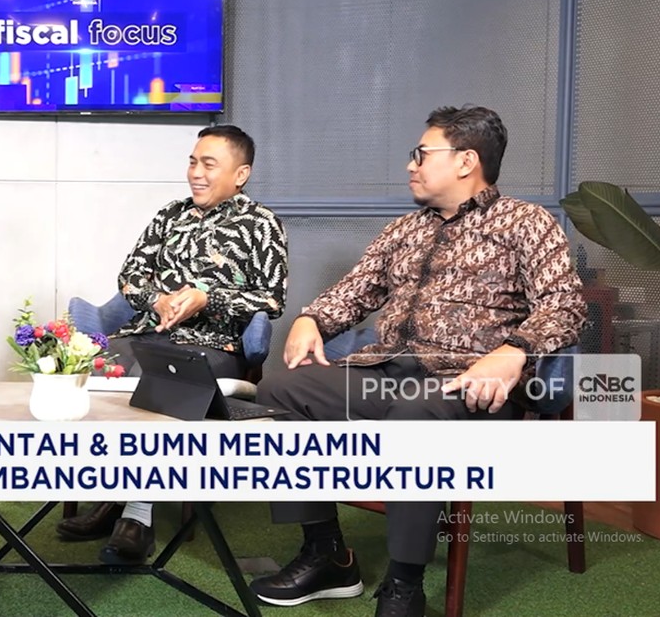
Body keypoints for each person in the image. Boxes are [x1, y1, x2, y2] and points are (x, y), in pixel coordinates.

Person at [249, 106, 588, 617]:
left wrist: (513, 352)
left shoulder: (527, 223)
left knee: (415, 415)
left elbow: (565, 304)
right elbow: (355, 290)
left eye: (422, 154)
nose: (411, 165)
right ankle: (327, 554)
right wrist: (310, 319)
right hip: (388, 372)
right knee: (279, 390)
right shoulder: (403, 230)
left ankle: (404, 584)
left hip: (467, 386)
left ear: (466, 161)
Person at [55, 124, 289, 564]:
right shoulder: (170, 215)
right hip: (144, 334)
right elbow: (130, 277)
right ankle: (112, 498)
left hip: (210, 345)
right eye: (192, 161)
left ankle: (135, 518)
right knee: (93, 377)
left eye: (209, 164)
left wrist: (207, 297)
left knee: (158, 383)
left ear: (240, 174)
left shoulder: (261, 224)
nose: (196, 173)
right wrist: (157, 300)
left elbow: (272, 299)